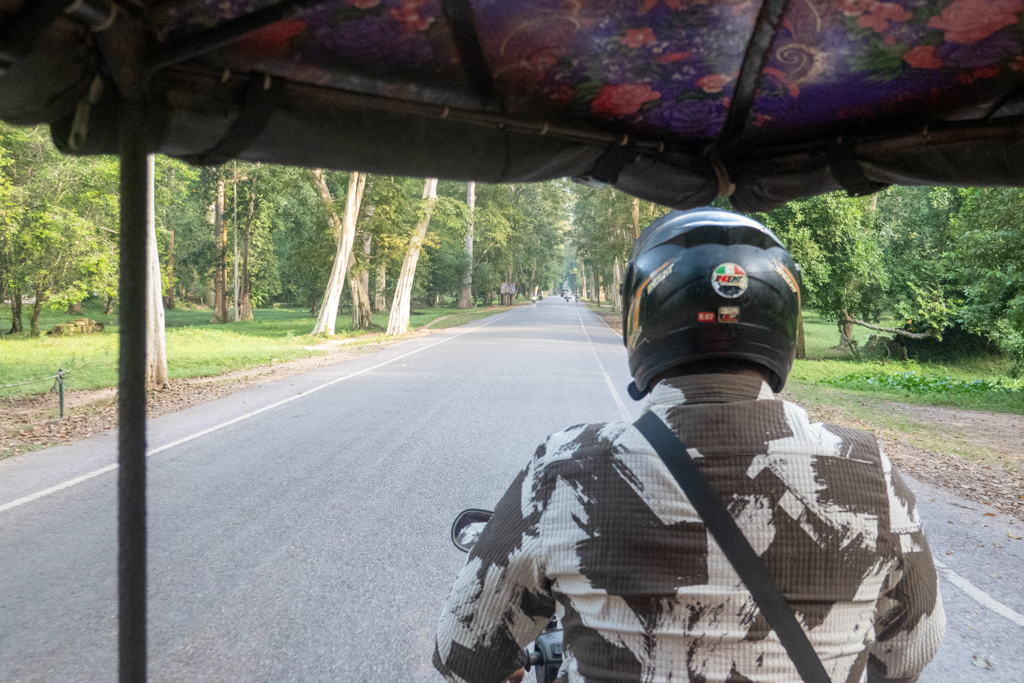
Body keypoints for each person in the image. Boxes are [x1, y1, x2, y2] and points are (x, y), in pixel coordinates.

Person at [433, 208, 944, 683]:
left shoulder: (565, 468)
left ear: (642, 322)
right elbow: (910, 653)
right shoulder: (866, 467)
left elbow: (461, 654)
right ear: (783, 327)